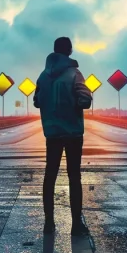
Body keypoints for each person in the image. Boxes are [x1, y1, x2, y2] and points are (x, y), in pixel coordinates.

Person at [33, 36, 93, 236]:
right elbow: (85, 99)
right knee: (74, 176)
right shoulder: (74, 74)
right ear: (69, 51)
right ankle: (76, 224)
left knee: (50, 175)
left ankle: (49, 222)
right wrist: (73, 105)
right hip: (73, 132)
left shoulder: (42, 76)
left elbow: (37, 101)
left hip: (52, 133)